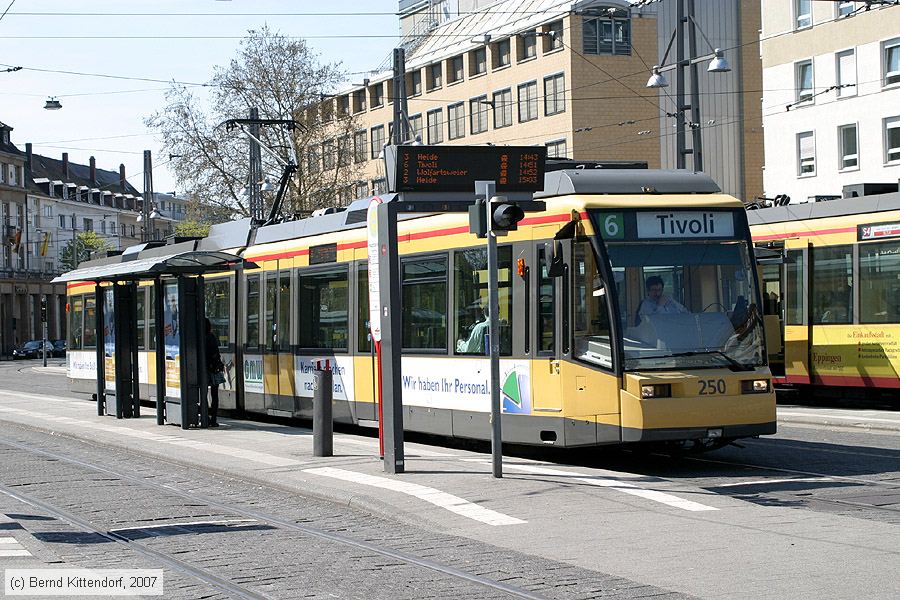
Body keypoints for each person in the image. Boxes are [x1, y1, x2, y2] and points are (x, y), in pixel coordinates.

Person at [205, 318, 224, 427]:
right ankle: (213, 419)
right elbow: (216, 353)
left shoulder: (198, 337)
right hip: (213, 370)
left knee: (203, 394)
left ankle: (205, 416)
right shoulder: (211, 337)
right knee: (214, 395)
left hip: (203, 370)